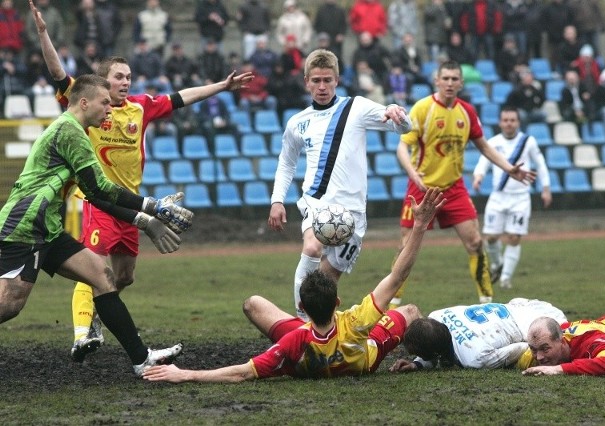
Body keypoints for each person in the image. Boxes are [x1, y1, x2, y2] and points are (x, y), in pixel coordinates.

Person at [29, 0, 254, 362]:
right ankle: (81, 334)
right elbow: (57, 71)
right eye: (119, 76)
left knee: (124, 277)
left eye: (129, 77)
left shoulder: (140, 107)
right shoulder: (88, 105)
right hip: (100, 201)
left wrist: (222, 87)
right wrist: (43, 34)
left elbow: (182, 98)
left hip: (129, 204)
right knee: (94, 267)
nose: (126, 82)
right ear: (103, 83)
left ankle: (101, 315)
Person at [142, 187, 446, 383]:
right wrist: (419, 225)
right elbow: (398, 276)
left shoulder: (292, 344)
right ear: (337, 304)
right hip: (365, 358)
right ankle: (423, 361)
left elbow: (242, 372)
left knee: (252, 303)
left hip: (307, 345)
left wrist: (185, 374)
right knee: (409, 309)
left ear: (302, 308)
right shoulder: (356, 322)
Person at [0, 73, 189, 377]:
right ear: (84, 102)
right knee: (9, 305)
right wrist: (151, 207)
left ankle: (142, 361)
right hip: (26, 226)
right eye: (104, 102)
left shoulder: (76, 131)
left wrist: (144, 221)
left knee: (102, 277)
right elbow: (101, 189)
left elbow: (95, 197)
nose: (109, 109)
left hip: (46, 228)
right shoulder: (70, 131)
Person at [267, 49, 411, 320]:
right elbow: (286, 163)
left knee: (327, 280)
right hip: (316, 202)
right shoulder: (297, 123)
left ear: (337, 80)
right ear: (307, 81)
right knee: (311, 248)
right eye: (317, 80)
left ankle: (320, 327)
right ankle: (301, 324)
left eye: (328, 81)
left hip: (353, 212)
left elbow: (405, 128)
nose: (322, 87)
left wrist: (397, 114)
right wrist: (277, 200)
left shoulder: (356, 107)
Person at [389, 60, 536, 309]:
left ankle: (488, 300)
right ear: (437, 81)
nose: (449, 83)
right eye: (445, 78)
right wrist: (412, 173)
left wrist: (509, 168)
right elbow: (402, 146)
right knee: (406, 248)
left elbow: (484, 146)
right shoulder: (423, 109)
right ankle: (391, 304)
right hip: (422, 188)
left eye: (454, 79)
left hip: (454, 188)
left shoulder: (467, 111)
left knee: (476, 243)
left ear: (461, 82)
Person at [472, 106, 551, 290]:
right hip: (498, 197)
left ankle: (506, 278)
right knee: (490, 238)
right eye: (505, 120)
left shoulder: (528, 142)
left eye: (512, 120)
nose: (509, 123)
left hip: (520, 197)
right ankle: (498, 263)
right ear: (500, 122)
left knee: (514, 237)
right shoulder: (493, 142)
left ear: (518, 122)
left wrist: (546, 189)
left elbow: (541, 165)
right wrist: (478, 176)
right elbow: (483, 162)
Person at [389, 298, 567, 371]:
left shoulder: (473, 357)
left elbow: (522, 347)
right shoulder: (436, 315)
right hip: (518, 304)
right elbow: (440, 346)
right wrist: (416, 364)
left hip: (546, 319)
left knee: (559, 350)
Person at [520, 311, 605, 376]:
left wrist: (558, 369)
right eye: (534, 350)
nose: (539, 357)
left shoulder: (591, 342)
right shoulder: (541, 344)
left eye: (545, 349)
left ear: (562, 342)